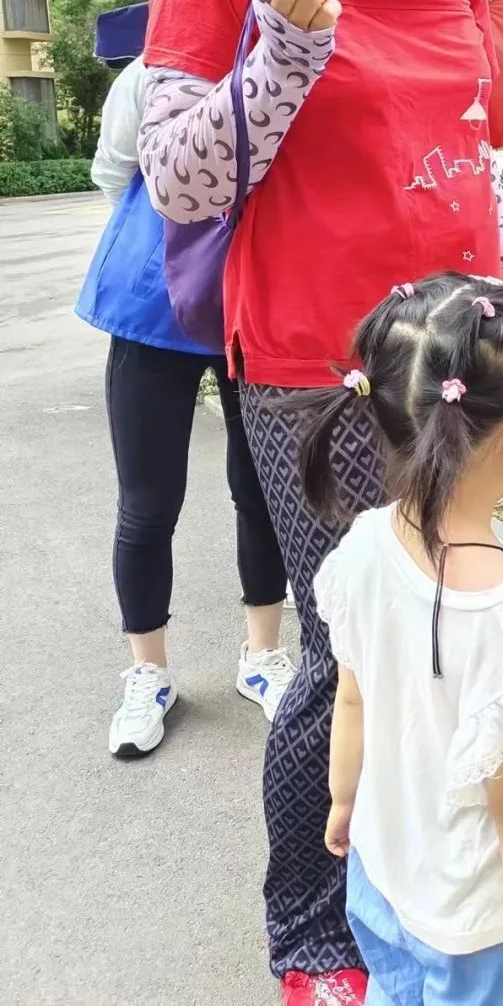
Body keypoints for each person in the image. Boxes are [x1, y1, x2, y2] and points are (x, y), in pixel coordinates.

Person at [136, 0, 503, 1003]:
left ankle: (426, 872)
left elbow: (471, 155)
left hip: (463, 365)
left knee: (447, 631)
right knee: (353, 652)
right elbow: (179, 181)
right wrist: (280, 53)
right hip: (315, 370)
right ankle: (314, 929)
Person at [304, 273, 503, 1006]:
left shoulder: (365, 542)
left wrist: (344, 800)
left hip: (381, 873)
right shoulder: (500, 616)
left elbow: (353, 697)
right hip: (476, 929)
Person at [76, 58, 294, 759]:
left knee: (261, 491)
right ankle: (150, 673)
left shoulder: (288, 57)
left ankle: (262, 655)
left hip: (259, 297)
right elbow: (115, 172)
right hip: (152, 302)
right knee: (146, 503)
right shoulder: (150, 73)